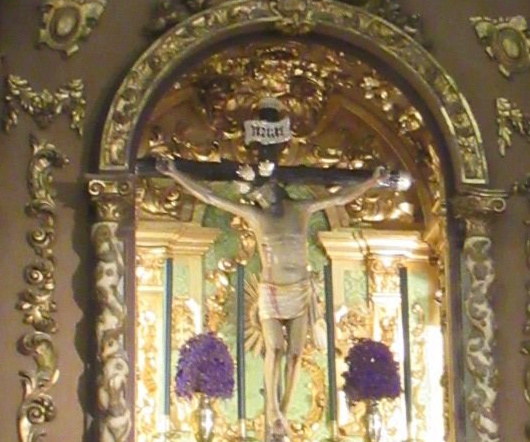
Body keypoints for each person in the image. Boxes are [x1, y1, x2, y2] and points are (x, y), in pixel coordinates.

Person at [153, 156, 391, 427]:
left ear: (275, 185)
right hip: (272, 292)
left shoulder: (301, 209)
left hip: (300, 289)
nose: (259, 197)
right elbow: (211, 198)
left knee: (296, 353)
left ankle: (284, 410)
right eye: (255, 193)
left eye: (261, 191)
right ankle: (272, 408)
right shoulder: (257, 217)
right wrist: (175, 174)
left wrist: (372, 180)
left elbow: (339, 199)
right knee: (275, 349)